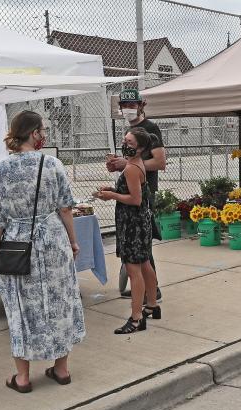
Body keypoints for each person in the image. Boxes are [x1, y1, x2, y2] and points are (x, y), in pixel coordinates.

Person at [0, 111, 85, 394]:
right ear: (34, 133)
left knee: (20, 307)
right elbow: (65, 207)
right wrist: (73, 241)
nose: (45, 135)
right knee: (60, 301)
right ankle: (61, 369)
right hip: (53, 239)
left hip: (17, 243)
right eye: (43, 130)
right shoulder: (52, 164)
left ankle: (23, 377)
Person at [94, 127, 161, 333]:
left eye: (130, 143)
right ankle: (152, 305)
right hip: (139, 222)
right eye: (125, 140)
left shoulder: (132, 168)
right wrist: (113, 190)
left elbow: (135, 199)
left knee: (134, 270)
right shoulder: (134, 164)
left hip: (133, 223)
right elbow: (132, 192)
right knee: (145, 263)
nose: (125, 145)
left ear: (140, 149)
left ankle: (136, 318)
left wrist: (111, 196)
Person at [107, 89, 165, 303]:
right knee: (136, 245)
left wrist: (129, 164)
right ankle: (144, 289)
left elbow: (160, 162)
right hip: (131, 190)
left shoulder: (150, 128)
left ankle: (152, 291)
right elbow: (132, 164)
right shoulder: (131, 130)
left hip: (143, 194)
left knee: (143, 245)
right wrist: (118, 166)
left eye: (132, 105)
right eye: (124, 106)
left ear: (142, 105)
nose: (128, 109)